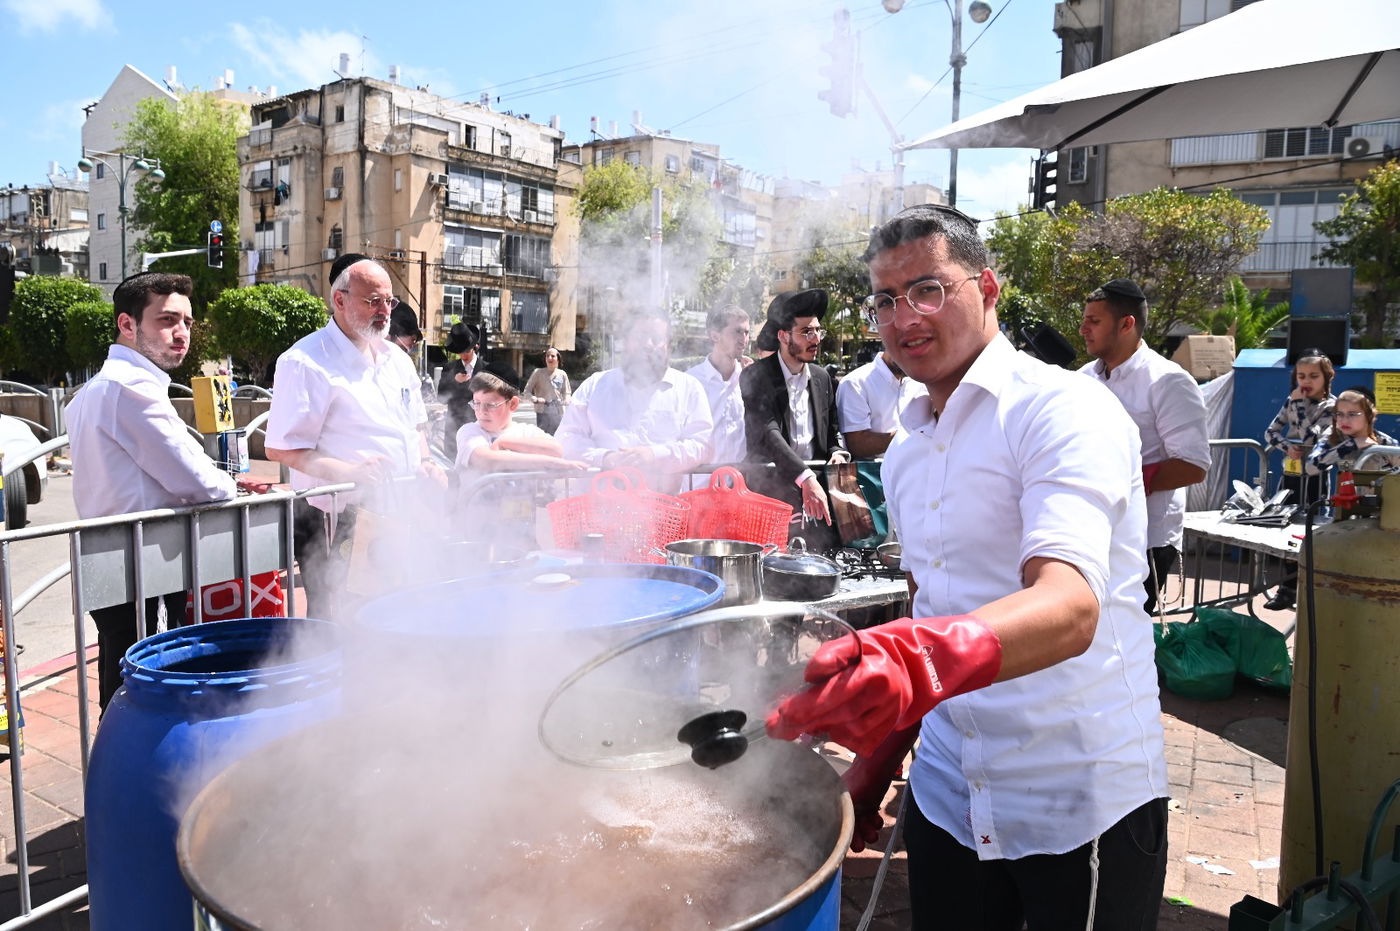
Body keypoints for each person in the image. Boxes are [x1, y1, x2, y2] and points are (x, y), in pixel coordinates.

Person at [768, 204, 1168, 931]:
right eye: (885, 300)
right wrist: (882, 756)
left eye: (927, 289)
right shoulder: (911, 448)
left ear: (986, 287)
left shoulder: (1064, 409)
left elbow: (1071, 605)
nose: (903, 317)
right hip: (950, 793)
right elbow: (932, 609)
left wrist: (912, 658)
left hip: (1074, 798)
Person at [65, 271, 238, 710]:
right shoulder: (131, 389)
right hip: (144, 570)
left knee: (121, 686)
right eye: (166, 320)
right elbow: (196, 480)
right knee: (153, 691)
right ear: (128, 324)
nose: (181, 333)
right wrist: (231, 486)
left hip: (120, 565)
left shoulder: (93, 392)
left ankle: (118, 770)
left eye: (187, 321)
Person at [265, 255, 447, 620]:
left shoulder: (396, 358)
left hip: (400, 507)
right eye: (372, 301)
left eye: (389, 301)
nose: (384, 311)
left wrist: (426, 461)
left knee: (401, 610)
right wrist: (348, 470)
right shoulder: (305, 361)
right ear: (340, 300)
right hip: (337, 518)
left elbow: (414, 427)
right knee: (341, 619)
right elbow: (283, 448)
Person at [1079, 278, 1211, 614]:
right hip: (1090, 530)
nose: (1083, 329)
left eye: (1094, 321)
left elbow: (1193, 465)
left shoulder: (1168, 381)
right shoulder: (1083, 378)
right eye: (1084, 320)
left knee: (1122, 634)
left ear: (1126, 324)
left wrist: (1121, 483)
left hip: (1145, 538)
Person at [556, 308, 713, 491]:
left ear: (668, 345)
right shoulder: (595, 385)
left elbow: (702, 445)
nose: (647, 345)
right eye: (640, 337)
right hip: (599, 508)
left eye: (655, 338)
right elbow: (566, 439)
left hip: (666, 510)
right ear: (626, 342)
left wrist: (654, 454)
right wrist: (606, 458)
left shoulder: (688, 388)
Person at [740, 289, 849, 549]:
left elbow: (832, 432)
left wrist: (838, 452)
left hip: (817, 496)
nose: (816, 339)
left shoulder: (823, 379)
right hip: (772, 493)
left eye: (818, 331)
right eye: (806, 332)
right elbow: (768, 433)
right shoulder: (756, 376)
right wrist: (805, 477)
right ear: (783, 335)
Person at [1261, 350, 1335, 609]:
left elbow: (1312, 438)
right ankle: (1287, 587)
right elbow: (1270, 432)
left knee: (1312, 528)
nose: (1306, 381)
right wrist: (1285, 447)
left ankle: (1311, 584)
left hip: (1316, 477)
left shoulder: (1332, 407)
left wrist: (1300, 407)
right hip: (1291, 474)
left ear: (1326, 378)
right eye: (1301, 375)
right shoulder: (1290, 401)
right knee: (1286, 524)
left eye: (1314, 376)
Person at [686, 305, 752, 465]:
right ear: (715, 335)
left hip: (739, 484)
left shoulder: (748, 377)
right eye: (737, 331)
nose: (744, 339)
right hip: (700, 482)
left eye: (747, 332)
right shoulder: (692, 381)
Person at [835, 348, 927, 458]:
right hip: (873, 473)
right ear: (887, 341)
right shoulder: (855, 383)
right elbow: (857, 445)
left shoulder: (920, 382)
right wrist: (912, 436)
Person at [1305, 388, 1400, 476]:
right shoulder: (1334, 437)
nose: (1345, 421)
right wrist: (1350, 445)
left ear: (1369, 416)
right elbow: (1310, 468)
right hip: (1348, 493)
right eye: (1340, 414)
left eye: (1352, 414)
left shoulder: (1385, 443)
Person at [524, 347, 572, 435]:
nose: (549, 358)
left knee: (558, 437)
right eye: (547, 356)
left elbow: (567, 392)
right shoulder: (538, 373)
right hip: (542, 412)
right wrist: (535, 399)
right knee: (543, 438)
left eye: (552, 356)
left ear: (558, 359)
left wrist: (566, 400)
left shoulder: (562, 374)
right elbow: (527, 392)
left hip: (558, 411)